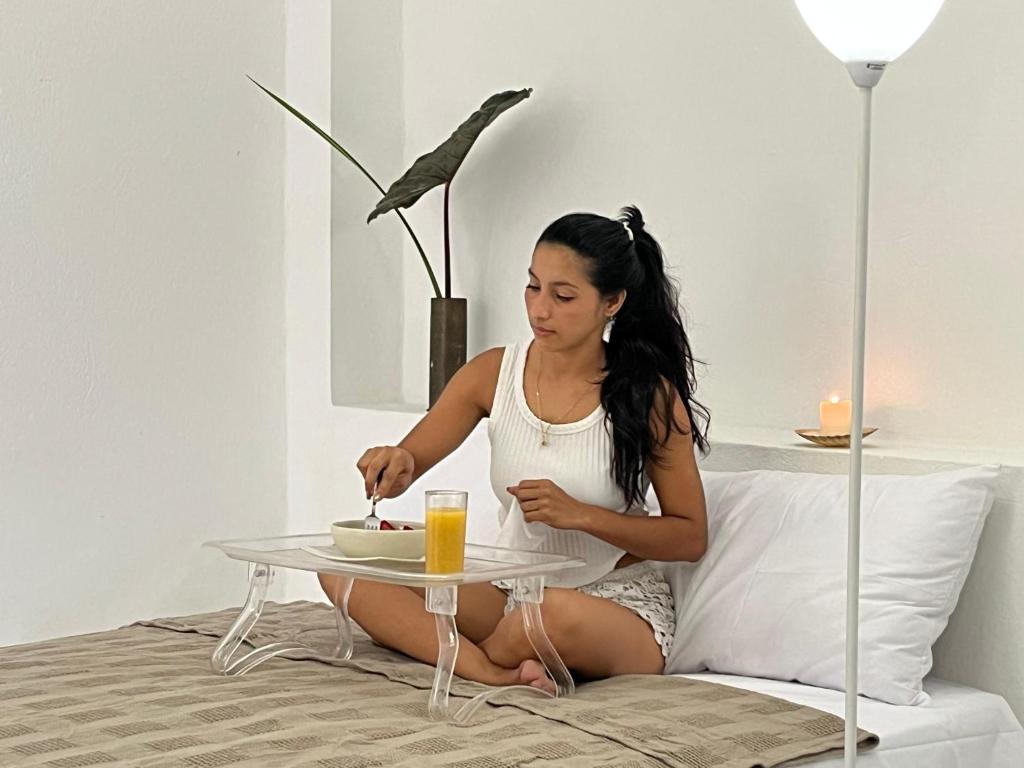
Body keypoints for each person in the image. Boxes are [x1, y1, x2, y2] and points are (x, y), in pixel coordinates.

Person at [320, 205, 710, 692]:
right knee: (343, 576)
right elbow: (411, 459)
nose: (539, 309)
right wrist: (397, 462)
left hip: (610, 603)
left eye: (563, 295)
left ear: (612, 302)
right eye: (533, 286)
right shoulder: (494, 372)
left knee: (549, 614)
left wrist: (582, 515)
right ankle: (493, 672)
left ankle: (470, 655)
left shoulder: (649, 396)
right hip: (511, 589)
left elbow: (690, 537)